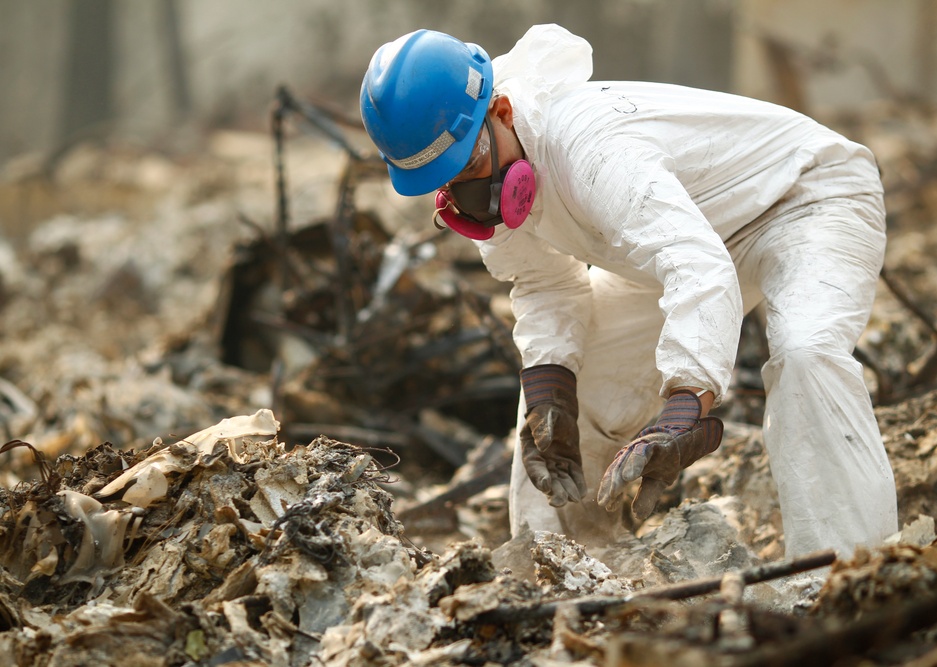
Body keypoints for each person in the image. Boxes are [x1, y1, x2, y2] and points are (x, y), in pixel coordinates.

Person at [358, 23, 898, 557]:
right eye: (444, 181)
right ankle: (560, 571)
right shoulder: (488, 176)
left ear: (502, 111)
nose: (466, 192)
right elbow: (544, 280)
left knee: (807, 355)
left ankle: (850, 572)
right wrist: (552, 391)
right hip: (673, 241)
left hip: (803, 198)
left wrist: (687, 404)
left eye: (468, 165)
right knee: (563, 394)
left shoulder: (591, 148)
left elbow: (695, 262)